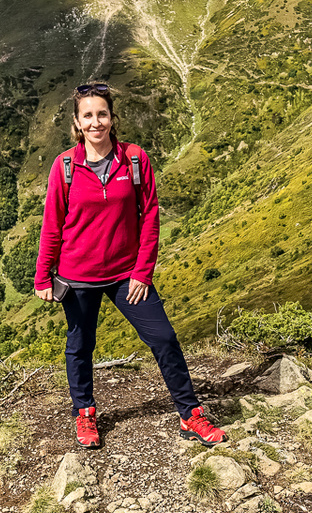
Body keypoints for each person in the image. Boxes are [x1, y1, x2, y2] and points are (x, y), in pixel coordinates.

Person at [34, 82, 225, 450]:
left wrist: (142, 272)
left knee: (164, 338)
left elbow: (150, 216)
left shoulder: (134, 159)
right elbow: (53, 223)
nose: (96, 122)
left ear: (112, 117)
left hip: (126, 274)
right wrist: (43, 275)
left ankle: (190, 415)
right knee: (80, 345)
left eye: (101, 114)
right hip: (78, 276)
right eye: (87, 116)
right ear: (77, 121)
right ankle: (85, 414)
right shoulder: (66, 166)